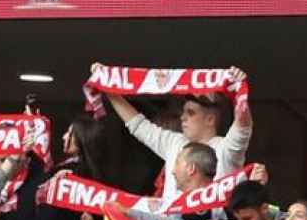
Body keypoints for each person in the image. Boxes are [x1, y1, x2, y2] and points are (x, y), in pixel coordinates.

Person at [100, 70, 252, 204]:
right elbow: (139, 125)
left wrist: (239, 91)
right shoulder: (175, 142)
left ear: (210, 120)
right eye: (183, 112)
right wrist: (107, 88)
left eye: (191, 113)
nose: (182, 118)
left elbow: (243, 127)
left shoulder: (226, 149)